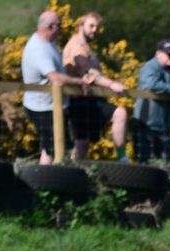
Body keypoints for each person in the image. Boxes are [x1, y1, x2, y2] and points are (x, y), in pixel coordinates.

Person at [62, 11, 126, 161]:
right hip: (78, 99)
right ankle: (122, 159)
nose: (94, 30)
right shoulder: (76, 47)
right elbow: (91, 74)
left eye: (96, 27)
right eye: (91, 26)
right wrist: (112, 84)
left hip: (90, 98)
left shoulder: (87, 47)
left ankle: (122, 158)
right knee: (82, 142)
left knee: (83, 142)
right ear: (80, 25)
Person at [21, 9, 83, 164]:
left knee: (49, 148)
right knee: (55, 148)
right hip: (43, 108)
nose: (61, 29)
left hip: (53, 105)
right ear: (50, 27)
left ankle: (47, 180)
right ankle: (49, 181)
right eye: (59, 26)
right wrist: (80, 82)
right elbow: (55, 77)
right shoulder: (39, 49)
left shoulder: (49, 43)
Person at [133, 38, 170, 162]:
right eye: (168, 54)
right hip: (146, 123)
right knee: (144, 163)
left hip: (166, 125)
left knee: (168, 163)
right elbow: (152, 85)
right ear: (158, 53)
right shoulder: (149, 67)